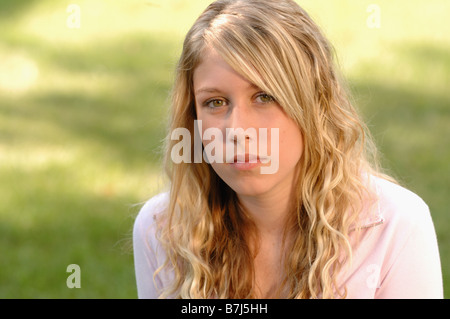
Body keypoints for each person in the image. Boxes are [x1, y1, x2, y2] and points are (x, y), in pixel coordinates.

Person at [133, 0, 443, 298]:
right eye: (215, 102)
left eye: (265, 96)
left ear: (313, 103)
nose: (237, 131)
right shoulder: (163, 230)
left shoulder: (393, 227)